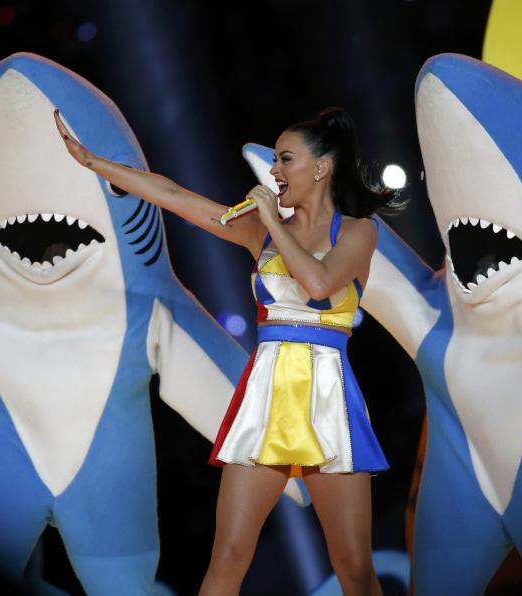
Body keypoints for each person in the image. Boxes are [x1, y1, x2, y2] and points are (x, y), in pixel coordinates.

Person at [54, 106, 405, 596]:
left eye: (286, 159)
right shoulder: (257, 229)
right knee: (229, 557)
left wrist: (271, 221)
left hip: (329, 399)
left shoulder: (356, 232)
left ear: (322, 168)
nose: (275, 171)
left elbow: (319, 283)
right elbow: (175, 197)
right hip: (267, 399)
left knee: (353, 566)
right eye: (276, 161)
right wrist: (93, 163)